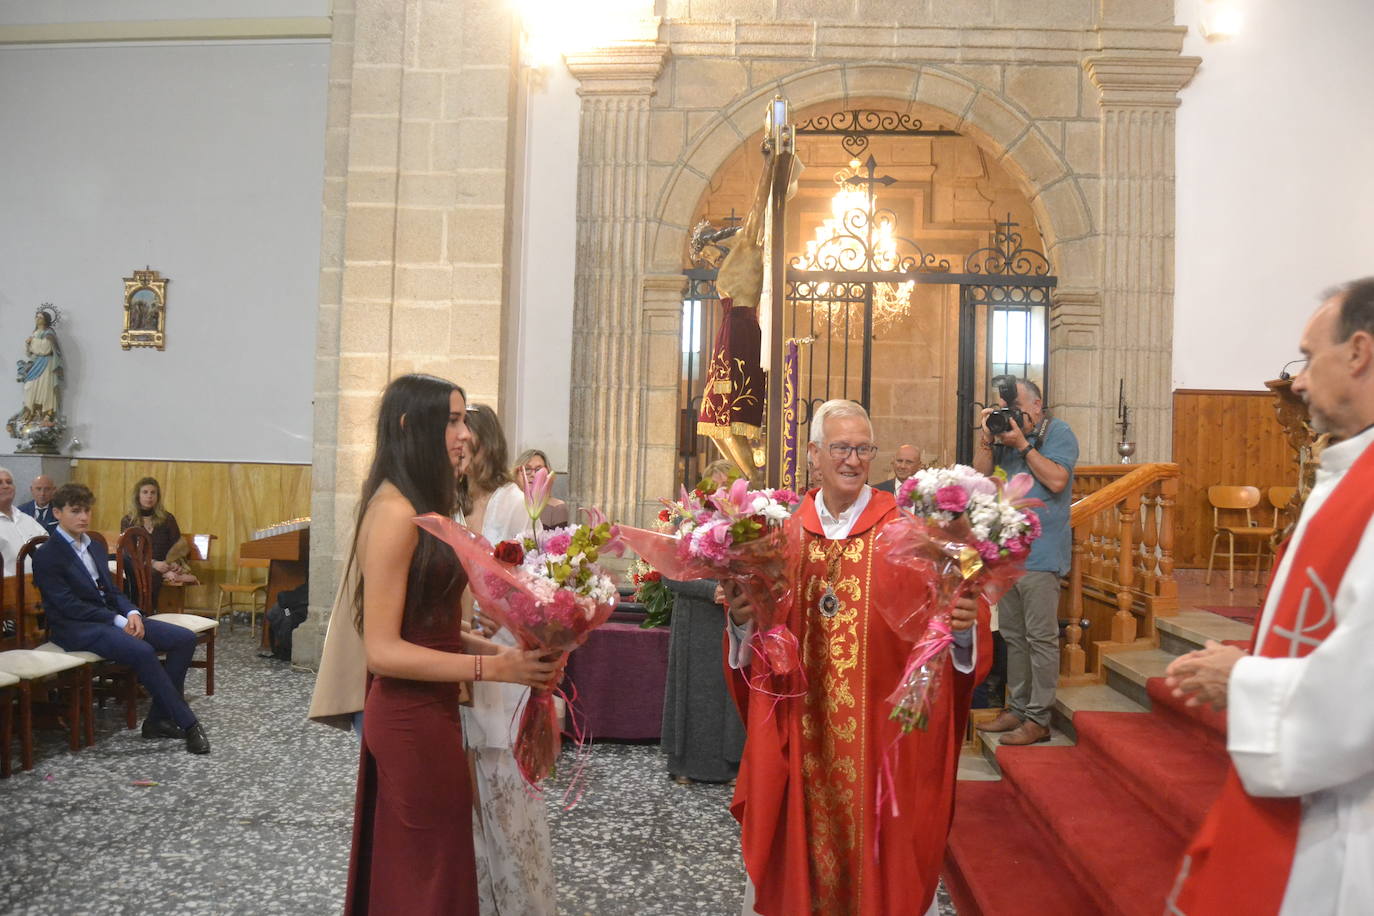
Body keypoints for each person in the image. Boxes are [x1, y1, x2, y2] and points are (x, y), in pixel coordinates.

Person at [721, 399, 989, 916]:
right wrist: (740, 619)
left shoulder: (908, 532)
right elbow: (756, 640)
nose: (853, 460)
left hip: (882, 739)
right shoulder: (780, 534)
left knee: (883, 860)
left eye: (864, 448)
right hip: (802, 731)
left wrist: (962, 630)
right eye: (841, 447)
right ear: (814, 455)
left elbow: (948, 630)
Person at [1163, 278, 1374, 916]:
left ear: (1359, 352)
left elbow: (1360, 691)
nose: (1300, 381)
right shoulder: (1349, 475)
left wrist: (1246, 680)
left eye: (1309, 358)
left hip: (1345, 824)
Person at [343, 373, 559, 916]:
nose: (465, 433)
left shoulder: (422, 505)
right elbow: (383, 651)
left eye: (464, 419)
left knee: (436, 865)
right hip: (407, 718)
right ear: (408, 426)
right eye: (453, 420)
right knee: (428, 875)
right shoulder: (394, 513)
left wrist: (515, 657)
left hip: (432, 713)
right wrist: (496, 671)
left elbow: (433, 630)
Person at [458, 405, 556, 916]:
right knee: (464, 796)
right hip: (459, 656)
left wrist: (491, 618)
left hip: (503, 654)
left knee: (505, 789)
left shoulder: (513, 501)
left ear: (487, 445)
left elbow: (536, 586)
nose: (460, 452)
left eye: (468, 443)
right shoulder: (448, 502)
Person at [33, 483, 208, 753]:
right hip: (75, 627)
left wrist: (132, 612)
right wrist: (118, 620)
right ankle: (189, 723)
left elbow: (112, 590)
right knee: (142, 650)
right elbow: (67, 606)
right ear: (57, 513)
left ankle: (157, 721)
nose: (83, 517)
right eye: (75, 511)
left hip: (109, 619)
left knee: (183, 639)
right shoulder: (48, 554)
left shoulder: (93, 546)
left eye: (87, 511)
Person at [971, 375, 1078, 746]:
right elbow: (979, 476)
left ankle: (1039, 718)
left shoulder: (1058, 432)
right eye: (1006, 410)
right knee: (1014, 638)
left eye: (1017, 409)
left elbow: (1058, 480)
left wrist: (1023, 445)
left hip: (1042, 554)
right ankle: (1016, 709)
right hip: (1008, 555)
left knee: (1041, 638)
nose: (1011, 416)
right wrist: (989, 437)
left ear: (1036, 405)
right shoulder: (1004, 436)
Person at [119, 477, 196, 608]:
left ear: (157, 496)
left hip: (166, 564)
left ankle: (146, 611)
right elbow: (128, 552)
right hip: (139, 564)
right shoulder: (128, 520)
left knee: (155, 573)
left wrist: (174, 563)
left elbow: (177, 545)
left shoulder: (167, 519)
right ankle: (145, 610)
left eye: (153, 493)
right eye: (145, 492)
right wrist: (153, 563)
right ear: (137, 496)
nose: (149, 496)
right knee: (146, 573)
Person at [0, 467, 47, 574]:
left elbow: (49, 548)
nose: (6, 486)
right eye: (0, 483)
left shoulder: (27, 520)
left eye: (9, 482)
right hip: (7, 587)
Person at [512, 448, 568, 527]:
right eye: (527, 469)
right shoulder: (508, 505)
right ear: (516, 474)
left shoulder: (557, 508)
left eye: (538, 470)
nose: (533, 474)